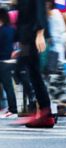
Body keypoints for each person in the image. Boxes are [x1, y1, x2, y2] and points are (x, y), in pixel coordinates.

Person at [14, 0, 55, 128]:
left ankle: (45, 112)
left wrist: (40, 33)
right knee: (28, 71)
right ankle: (43, 111)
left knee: (34, 73)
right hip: (26, 37)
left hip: (33, 36)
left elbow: (39, 8)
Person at [0, 8, 17, 118]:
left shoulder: (2, 30)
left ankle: (13, 109)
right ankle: (10, 108)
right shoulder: (11, 29)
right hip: (10, 60)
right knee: (7, 86)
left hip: (3, 60)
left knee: (7, 86)